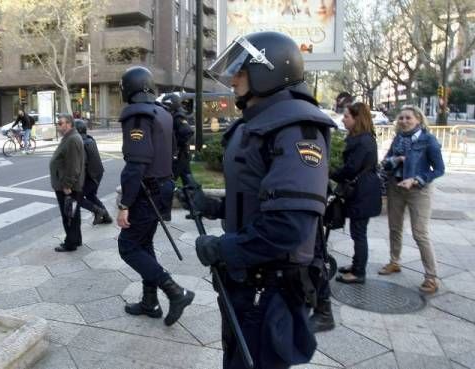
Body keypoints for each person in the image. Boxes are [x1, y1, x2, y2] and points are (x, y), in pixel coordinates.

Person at [193, 32, 336, 368]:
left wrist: (222, 248)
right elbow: (259, 199)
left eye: (242, 70)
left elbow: (288, 226)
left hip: (269, 288)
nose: (233, 78)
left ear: (269, 72)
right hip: (245, 284)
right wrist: (211, 206)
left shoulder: (299, 129)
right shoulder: (257, 124)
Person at [117, 66, 195, 326]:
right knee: (144, 244)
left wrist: (125, 203)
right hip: (162, 187)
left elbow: (136, 164)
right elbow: (173, 152)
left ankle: (175, 291)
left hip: (145, 191)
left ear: (130, 87)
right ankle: (150, 302)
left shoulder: (137, 115)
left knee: (128, 247)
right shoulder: (163, 113)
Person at [379, 105, 445, 294]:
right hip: (396, 187)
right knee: (394, 227)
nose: (404, 121)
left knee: (420, 233)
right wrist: (397, 160)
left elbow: (439, 169)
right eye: (401, 118)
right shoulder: (398, 138)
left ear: (418, 119)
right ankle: (394, 262)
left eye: (408, 118)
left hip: (419, 191)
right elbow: (386, 162)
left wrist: (416, 179)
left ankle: (431, 277)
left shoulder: (428, 140)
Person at [330, 102, 382, 284]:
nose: (343, 119)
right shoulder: (363, 138)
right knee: (357, 232)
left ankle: (359, 272)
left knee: (359, 233)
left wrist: (329, 173)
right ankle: (356, 265)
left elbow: (351, 168)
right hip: (362, 191)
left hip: (363, 193)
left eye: (346, 116)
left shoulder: (364, 140)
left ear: (357, 118)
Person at [49, 114, 86, 252]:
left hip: (68, 187)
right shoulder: (70, 137)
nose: (58, 125)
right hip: (69, 185)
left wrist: (67, 185)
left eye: (60, 123)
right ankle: (76, 239)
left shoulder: (72, 139)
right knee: (73, 214)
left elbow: (74, 167)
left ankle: (70, 243)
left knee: (68, 215)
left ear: (69, 124)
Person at [74, 119, 112, 225]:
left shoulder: (79, 142)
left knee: (77, 197)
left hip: (90, 175)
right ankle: (106, 217)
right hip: (98, 172)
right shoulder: (89, 139)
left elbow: (81, 164)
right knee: (91, 195)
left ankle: (99, 211)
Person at [161, 93, 194, 182]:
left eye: (166, 105)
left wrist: (176, 143)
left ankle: (194, 193)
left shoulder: (178, 116)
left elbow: (188, 132)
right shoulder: (175, 115)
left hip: (180, 155)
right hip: (182, 154)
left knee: (170, 179)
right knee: (187, 177)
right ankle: (194, 194)